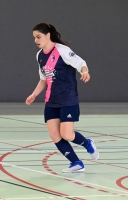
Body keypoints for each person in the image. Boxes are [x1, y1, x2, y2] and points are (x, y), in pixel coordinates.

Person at [26, 23, 99, 173]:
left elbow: (80, 63)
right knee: (55, 135)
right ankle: (76, 163)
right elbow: (43, 79)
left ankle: (87, 143)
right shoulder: (40, 56)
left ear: (47, 35)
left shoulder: (62, 50)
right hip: (51, 101)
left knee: (66, 134)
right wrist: (34, 94)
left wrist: (84, 71)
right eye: (34, 38)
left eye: (38, 37)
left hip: (68, 99)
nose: (36, 40)